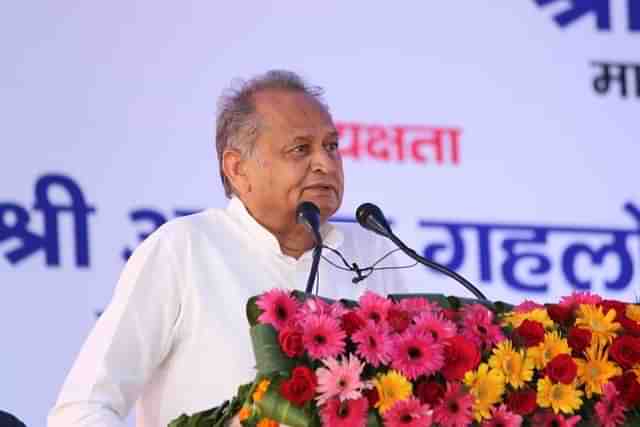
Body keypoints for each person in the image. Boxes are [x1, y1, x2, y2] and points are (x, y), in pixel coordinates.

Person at [48, 70, 407, 426]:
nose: (326, 164)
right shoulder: (184, 249)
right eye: (300, 149)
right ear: (237, 169)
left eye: (331, 146)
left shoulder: (375, 252)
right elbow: (81, 411)